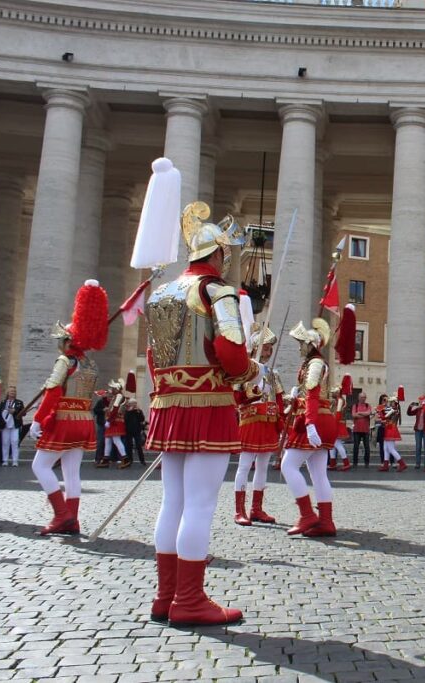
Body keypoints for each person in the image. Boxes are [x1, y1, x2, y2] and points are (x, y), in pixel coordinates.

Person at [143, 198, 256, 627]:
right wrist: (251, 371)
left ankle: (165, 596)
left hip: (168, 404)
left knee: (172, 501)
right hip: (209, 403)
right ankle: (189, 600)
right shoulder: (217, 290)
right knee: (201, 504)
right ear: (217, 254)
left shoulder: (161, 292)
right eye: (226, 254)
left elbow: (154, 357)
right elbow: (231, 353)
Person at [29, 280, 108, 536]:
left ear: (67, 341)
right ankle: (72, 520)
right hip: (83, 420)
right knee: (71, 472)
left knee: (39, 467)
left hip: (63, 419)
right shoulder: (90, 365)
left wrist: (38, 419)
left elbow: (53, 392)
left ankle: (62, 514)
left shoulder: (66, 361)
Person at [281, 319, 338, 537]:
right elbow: (310, 394)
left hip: (313, 420)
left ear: (310, 344)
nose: (299, 347)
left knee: (288, 466)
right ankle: (326, 521)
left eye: (302, 343)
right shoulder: (314, 363)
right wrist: (295, 396)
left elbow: (313, 395)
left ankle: (307, 515)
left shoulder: (315, 364)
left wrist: (310, 424)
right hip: (322, 419)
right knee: (318, 474)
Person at [233, 323, 284, 526]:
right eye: (265, 347)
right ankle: (239, 510)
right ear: (256, 347)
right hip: (250, 422)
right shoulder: (245, 370)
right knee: (244, 465)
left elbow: (278, 399)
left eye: (270, 349)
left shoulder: (273, 373)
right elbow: (236, 397)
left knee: (262, 466)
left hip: (268, 423)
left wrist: (280, 419)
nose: (269, 352)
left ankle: (256, 508)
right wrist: (252, 392)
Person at [103, 378, 129, 469]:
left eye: (113, 388)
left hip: (115, 421)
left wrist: (109, 420)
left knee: (116, 440)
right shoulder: (116, 396)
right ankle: (105, 459)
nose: (111, 390)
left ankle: (125, 459)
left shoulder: (119, 396)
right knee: (108, 440)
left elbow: (115, 409)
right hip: (112, 420)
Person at [0, 384, 23, 467]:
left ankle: (15, 461)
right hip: (5, 426)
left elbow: (23, 412)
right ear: (8, 392)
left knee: (15, 442)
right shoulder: (3, 402)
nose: (13, 393)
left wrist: (15, 411)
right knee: (5, 442)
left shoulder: (19, 402)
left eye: (14, 391)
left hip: (15, 425)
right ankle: (5, 460)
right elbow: (0, 413)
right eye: (11, 391)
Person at [328, 385, 352, 472]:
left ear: (337, 392)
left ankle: (346, 463)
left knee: (337, 444)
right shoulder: (336, 401)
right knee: (332, 445)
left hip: (338, 423)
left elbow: (338, 413)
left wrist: (333, 422)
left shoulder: (340, 400)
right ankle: (333, 463)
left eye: (333, 392)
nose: (332, 393)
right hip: (335, 423)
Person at [379, 397, 408, 471]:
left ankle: (402, 463)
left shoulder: (393, 410)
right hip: (388, 428)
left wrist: (379, 411)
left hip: (391, 429)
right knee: (385, 448)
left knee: (391, 449)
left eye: (391, 402)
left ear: (394, 403)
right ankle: (386, 465)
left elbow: (384, 417)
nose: (390, 403)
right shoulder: (394, 409)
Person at [406, 394, 425, 468]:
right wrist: (410, 406)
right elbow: (409, 413)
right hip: (418, 430)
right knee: (418, 447)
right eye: (419, 400)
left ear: (424, 401)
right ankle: (417, 463)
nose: (420, 401)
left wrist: (423, 406)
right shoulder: (418, 409)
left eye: (421, 400)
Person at [350, 392, 372, 467]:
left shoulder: (368, 405)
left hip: (366, 429)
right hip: (356, 429)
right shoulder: (355, 406)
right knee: (356, 447)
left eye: (364, 397)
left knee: (367, 447)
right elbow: (353, 415)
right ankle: (355, 462)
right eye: (362, 397)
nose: (363, 399)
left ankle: (367, 462)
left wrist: (359, 413)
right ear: (358, 398)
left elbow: (368, 413)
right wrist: (364, 414)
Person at [123, 398, 147, 466]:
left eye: (135, 403)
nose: (134, 405)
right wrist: (129, 411)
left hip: (137, 430)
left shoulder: (138, 411)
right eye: (133, 403)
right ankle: (130, 460)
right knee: (129, 446)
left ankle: (142, 460)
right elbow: (125, 419)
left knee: (139, 446)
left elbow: (142, 419)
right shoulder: (127, 411)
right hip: (128, 430)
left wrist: (138, 412)